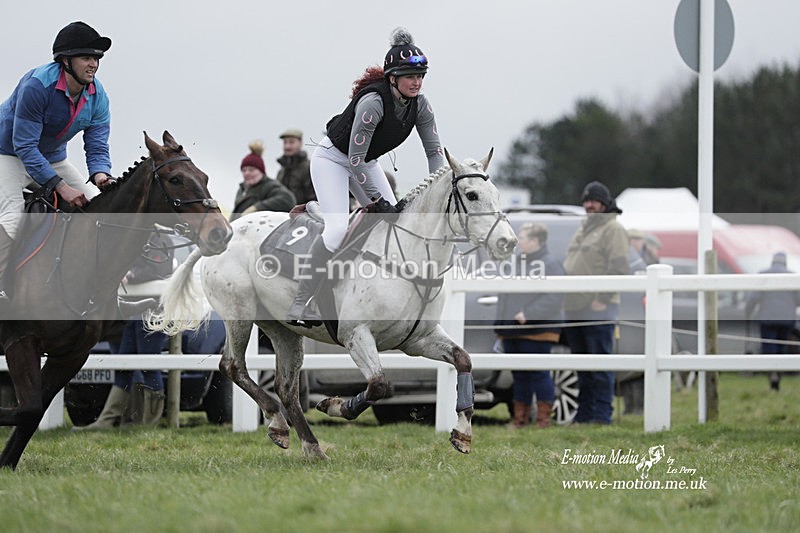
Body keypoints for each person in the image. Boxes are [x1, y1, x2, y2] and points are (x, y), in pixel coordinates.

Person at [286, 27, 444, 327]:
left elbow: (434, 152)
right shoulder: (372, 103)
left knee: (395, 221)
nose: (417, 82)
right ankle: (300, 302)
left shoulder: (421, 105)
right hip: (333, 159)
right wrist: (377, 200)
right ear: (392, 78)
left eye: (421, 75)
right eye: (410, 76)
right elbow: (353, 160)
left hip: (364, 162)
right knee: (336, 229)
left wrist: (437, 194)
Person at [0, 21, 114, 315]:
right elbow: (24, 146)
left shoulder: (98, 95)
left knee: (96, 209)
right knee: (13, 219)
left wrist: (101, 175)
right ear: (66, 61)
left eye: (97, 58)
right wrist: (60, 187)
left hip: (52, 157)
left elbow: (97, 145)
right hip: (8, 154)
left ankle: (100, 290)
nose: (94, 64)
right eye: (87, 57)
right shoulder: (37, 85)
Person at [74, 232, 172, 430]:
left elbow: (159, 270)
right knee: (123, 364)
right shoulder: (135, 238)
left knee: (148, 365)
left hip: (153, 313)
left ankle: (149, 423)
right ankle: (108, 420)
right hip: (134, 312)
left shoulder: (159, 239)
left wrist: (131, 275)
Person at [563, 181, 630, 424]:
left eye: (594, 200)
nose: (589, 205)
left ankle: (602, 415)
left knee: (600, 364)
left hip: (597, 306)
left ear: (604, 203)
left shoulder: (612, 229)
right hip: (575, 306)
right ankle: (585, 414)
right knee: (582, 365)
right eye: (586, 200)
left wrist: (602, 298)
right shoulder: (584, 227)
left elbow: (619, 266)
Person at [494, 222, 564, 428]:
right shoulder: (517, 262)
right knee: (519, 375)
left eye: (522, 238)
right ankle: (520, 420)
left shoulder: (550, 264)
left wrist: (530, 314)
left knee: (539, 373)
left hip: (537, 330)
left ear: (535, 241)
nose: (518, 241)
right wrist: (501, 327)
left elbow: (555, 296)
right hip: (513, 330)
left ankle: (543, 421)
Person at [745, 252, 800, 391]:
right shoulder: (792, 275)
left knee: (769, 346)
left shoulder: (763, 274)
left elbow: (753, 297)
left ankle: (772, 375)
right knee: (781, 346)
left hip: (767, 318)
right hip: (787, 319)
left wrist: (747, 312)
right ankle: (778, 374)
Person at [230, 140, 296, 222]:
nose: (247, 173)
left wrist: (256, 208)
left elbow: (287, 199)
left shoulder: (270, 186)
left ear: (261, 171)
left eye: (251, 170)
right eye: (244, 170)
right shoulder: (242, 189)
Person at [276, 128, 315, 204]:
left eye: (291, 142)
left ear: (300, 143)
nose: (287, 146)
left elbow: (313, 199)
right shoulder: (281, 171)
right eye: (285, 142)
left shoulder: (309, 168)